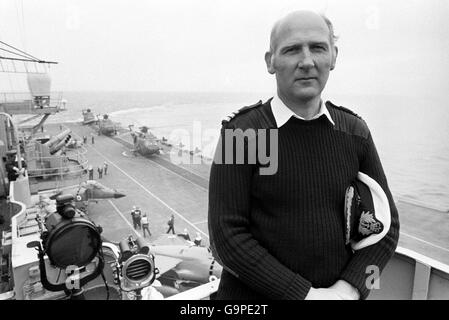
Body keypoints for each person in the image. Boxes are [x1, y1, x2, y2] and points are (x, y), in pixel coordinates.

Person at [208, 10, 399, 300]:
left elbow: (387, 228)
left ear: (333, 56)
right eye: (292, 49)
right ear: (270, 62)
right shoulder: (242, 132)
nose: (307, 61)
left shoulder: (355, 132)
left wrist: (351, 289)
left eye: (318, 48)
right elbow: (226, 237)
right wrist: (306, 296)